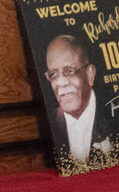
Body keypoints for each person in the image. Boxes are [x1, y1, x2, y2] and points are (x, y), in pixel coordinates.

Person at [42, 32, 106, 165]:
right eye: (53, 75)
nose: (61, 82)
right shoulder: (50, 123)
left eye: (69, 71)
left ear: (90, 74)